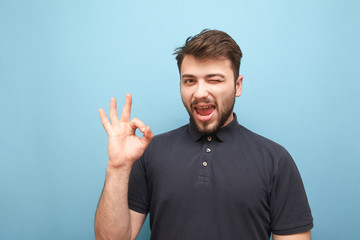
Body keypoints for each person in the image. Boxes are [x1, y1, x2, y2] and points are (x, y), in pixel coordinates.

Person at [95, 29, 313, 240]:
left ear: (237, 86)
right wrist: (118, 167)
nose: (199, 93)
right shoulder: (151, 152)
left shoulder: (275, 160)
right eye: (190, 81)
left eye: (214, 80)